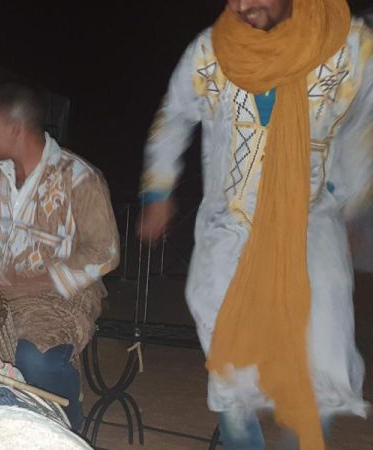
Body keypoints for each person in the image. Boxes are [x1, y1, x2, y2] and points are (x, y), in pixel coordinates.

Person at [138, 0, 372, 447]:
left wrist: (356, 202)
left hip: (311, 223)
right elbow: (174, 115)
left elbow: (364, 125)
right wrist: (158, 190)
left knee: (321, 359)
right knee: (230, 365)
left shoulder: (348, 47)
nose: (242, 6)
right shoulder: (212, 49)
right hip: (229, 228)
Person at [0, 81, 120, 431]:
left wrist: (39, 280)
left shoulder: (79, 177)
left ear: (15, 129)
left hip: (57, 296)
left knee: (35, 359)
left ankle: (66, 431)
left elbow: (105, 251)